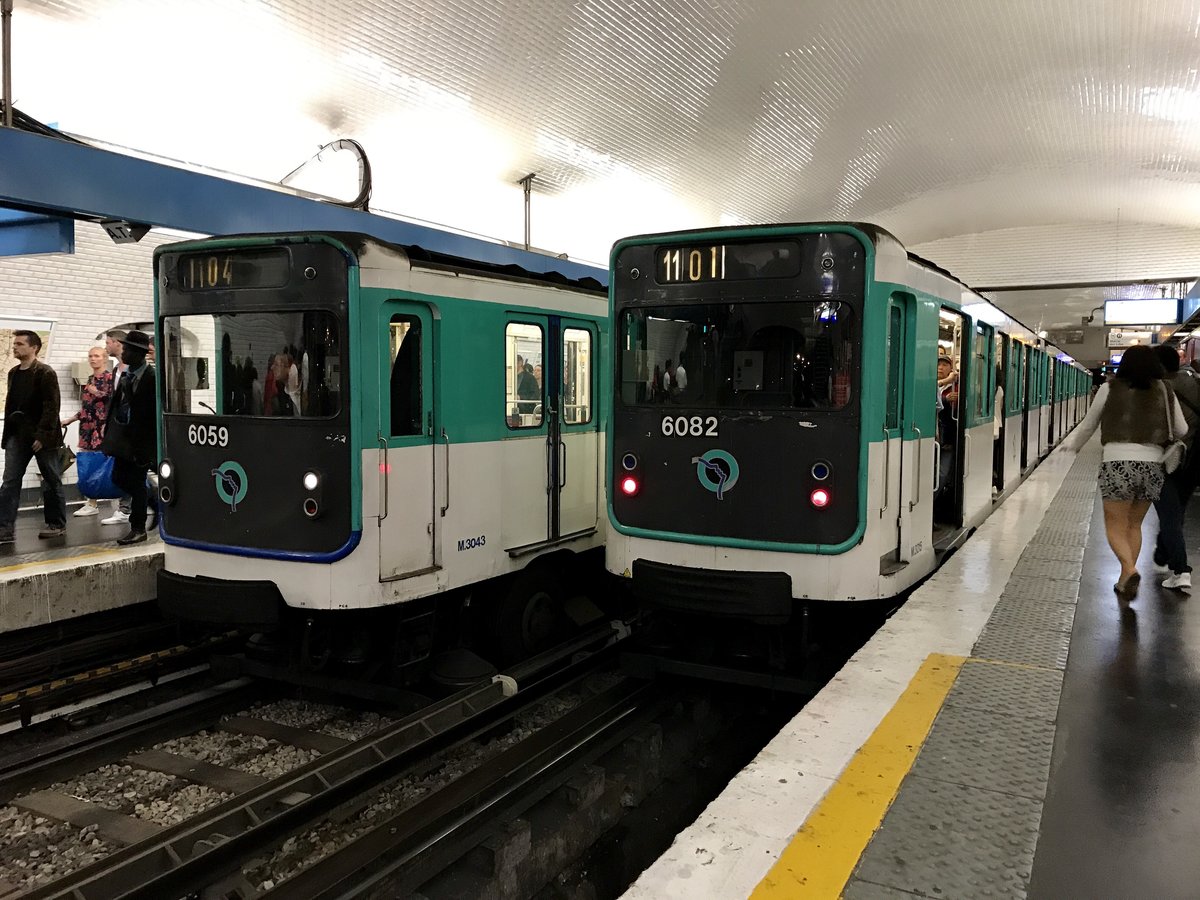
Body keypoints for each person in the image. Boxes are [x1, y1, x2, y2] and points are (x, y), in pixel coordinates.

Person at [1061, 344, 1186, 599]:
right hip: (1153, 465)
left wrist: (1072, 447)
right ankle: (1123, 577)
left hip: (1117, 464)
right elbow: (1182, 429)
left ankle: (1129, 569)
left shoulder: (1109, 388)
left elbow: (1088, 425)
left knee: (1115, 524)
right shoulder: (1164, 389)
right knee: (1134, 524)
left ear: (1124, 364)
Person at [0, 331, 67, 543]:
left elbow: (51, 406)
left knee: (51, 479)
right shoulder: (13, 373)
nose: (15, 347)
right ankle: (4, 527)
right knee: (10, 481)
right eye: (15, 344)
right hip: (17, 436)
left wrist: (42, 435)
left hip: (41, 437)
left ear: (34, 348)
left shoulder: (45, 373)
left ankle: (56, 524)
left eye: (20, 344)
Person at [1151, 345, 1200, 590]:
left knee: (1170, 515)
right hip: (1196, 460)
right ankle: (1163, 553)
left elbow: (1175, 429)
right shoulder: (1194, 382)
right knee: (1175, 511)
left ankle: (1180, 568)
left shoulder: (1162, 389)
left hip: (1171, 459)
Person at [101, 331, 157, 545]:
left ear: (139, 353)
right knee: (119, 478)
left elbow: (151, 413)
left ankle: (138, 527)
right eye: (124, 348)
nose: (123, 352)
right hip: (123, 439)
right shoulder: (125, 376)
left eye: (128, 349)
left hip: (141, 441)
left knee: (134, 480)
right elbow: (116, 407)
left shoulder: (151, 378)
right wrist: (108, 436)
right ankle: (151, 497)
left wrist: (148, 446)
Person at [61, 345, 114, 517]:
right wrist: (72, 419)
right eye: (90, 356)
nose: (93, 359)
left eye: (97, 356)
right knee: (89, 462)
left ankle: (122, 503)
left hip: (103, 427)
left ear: (104, 358)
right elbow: (87, 406)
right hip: (87, 428)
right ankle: (91, 501)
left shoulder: (111, 378)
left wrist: (96, 392)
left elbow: (112, 401)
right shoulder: (90, 378)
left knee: (108, 462)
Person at [101, 330, 133, 527]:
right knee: (123, 468)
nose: (106, 346)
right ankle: (127, 507)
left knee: (130, 467)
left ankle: (126, 508)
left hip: (131, 425)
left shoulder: (134, 369)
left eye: (108, 342)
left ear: (117, 342)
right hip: (118, 425)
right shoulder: (115, 371)